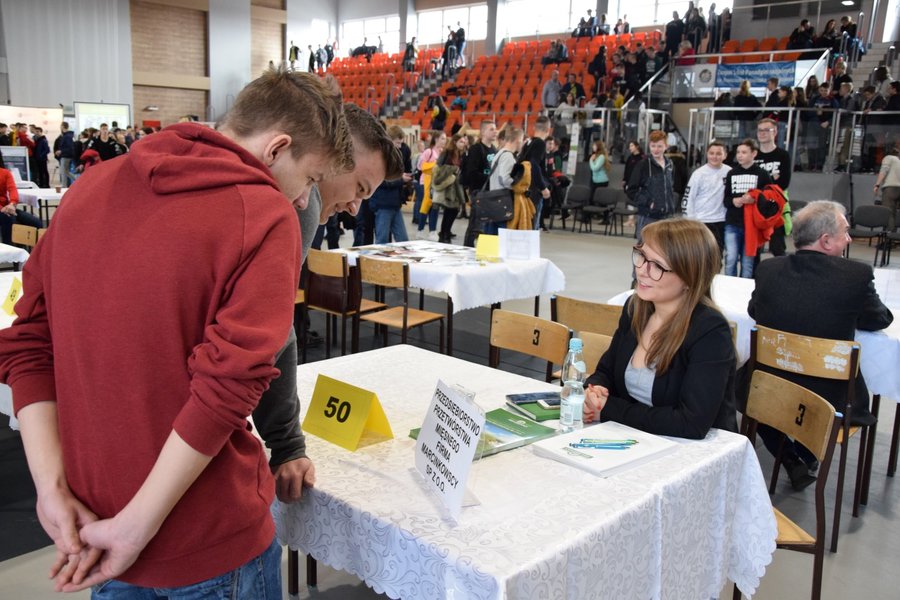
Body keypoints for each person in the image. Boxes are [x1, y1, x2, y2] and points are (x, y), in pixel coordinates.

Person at [0, 67, 354, 596]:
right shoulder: (265, 213)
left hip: (98, 521)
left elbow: (28, 343)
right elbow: (229, 388)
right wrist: (134, 529)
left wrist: (50, 488)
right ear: (277, 148)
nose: (304, 200)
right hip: (204, 536)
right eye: (309, 179)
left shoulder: (89, 186)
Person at [748, 201, 893, 489]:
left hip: (769, 387)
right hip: (830, 396)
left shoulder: (769, 269)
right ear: (826, 241)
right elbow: (879, 319)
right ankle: (804, 454)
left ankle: (791, 458)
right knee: (818, 409)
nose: (849, 239)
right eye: (845, 232)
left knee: (750, 393)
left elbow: (754, 311)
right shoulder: (855, 276)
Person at [582, 219, 738, 439]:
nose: (641, 271)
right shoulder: (636, 308)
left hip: (694, 448)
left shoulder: (710, 331)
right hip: (639, 437)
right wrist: (594, 390)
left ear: (690, 278)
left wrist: (609, 409)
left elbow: (691, 423)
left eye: (657, 266)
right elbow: (606, 372)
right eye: (642, 257)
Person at [723, 138, 775, 278]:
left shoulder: (762, 174)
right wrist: (734, 201)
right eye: (738, 152)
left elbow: (770, 198)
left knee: (748, 261)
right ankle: (729, 285)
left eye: (744, 152)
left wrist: (755, 199)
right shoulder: (732, 173)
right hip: (733, 222)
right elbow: (726, 199)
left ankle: (745, 288)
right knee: (731, 258)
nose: (740, 155)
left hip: (752, 225)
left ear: (754, 153)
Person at [627, 130, 676, 243]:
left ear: (666, 146)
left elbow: (670, 187)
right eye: (653, 146)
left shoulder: (670, 165)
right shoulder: (643, 165)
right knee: (645, 249)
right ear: (649, 146)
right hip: (648, 216)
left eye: (659, 146)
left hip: (667, 216)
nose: (656, 149)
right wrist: (648, 202)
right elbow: (631, 190)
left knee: (664, 250)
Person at [683, 141, 730, 251]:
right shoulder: (698, 174)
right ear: (707, 154)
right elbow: (688, 198)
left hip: (721, 220)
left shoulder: (730, 172)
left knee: (717, 254)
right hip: (701, 220)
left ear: (725, 155)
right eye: (711, 153)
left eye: (719, 153)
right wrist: (690, 221)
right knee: (701, 254)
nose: (715, 156)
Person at [754, 117, 792, 256]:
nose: (762, 133)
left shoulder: (783, 155)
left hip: (776, 206)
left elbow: (784, 183)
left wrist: (762, 182)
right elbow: (750, 182)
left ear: (775, 132)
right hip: (756, 206)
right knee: (755, 247)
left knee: (777, 247)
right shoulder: (753, 155)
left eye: (766, 130)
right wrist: (771, 178)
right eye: (760, 130)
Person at [371, 125, 413, 244]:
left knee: (403, 240)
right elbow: (380, 181)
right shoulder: (380, 158)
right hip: (383, 204)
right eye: (397, 143)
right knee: (382, 240)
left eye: (401, 143)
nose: (399, 146)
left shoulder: (395, 156)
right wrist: (401, 179)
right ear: (390, 140)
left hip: (395, 204)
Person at [462, 121, 498, 246]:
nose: (495, 132)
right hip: (479, 192)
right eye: (491, 129)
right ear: (483, 132)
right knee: (476, 226)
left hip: (490, 192)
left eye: (495, 129)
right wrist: (489, 178)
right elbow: (471, 173)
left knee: (487, 226)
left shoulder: (494, 150)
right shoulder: (476, 149)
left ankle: (483, 250)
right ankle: (468, 249)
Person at [517, 116, 552, 230]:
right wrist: (543, 187)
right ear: (548, 129)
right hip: (534, 190)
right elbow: (534, 165)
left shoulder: (528, 142)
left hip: (525, 187)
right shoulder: (540, 143)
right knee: (532, 224)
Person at [0, 154, 43, 244]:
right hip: (4, 210)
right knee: (9, 220)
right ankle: (9, 249)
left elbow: (13, 189)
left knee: (36, 223)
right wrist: (2, 208)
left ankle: (37, 250)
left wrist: (12, 204)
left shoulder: (5, 173)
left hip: (8, 208)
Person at [432, 133, 467, 242]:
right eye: (461, 142)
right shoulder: (447, 152)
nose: (463, 144)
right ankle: (444, 234)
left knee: (454, 210)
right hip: (448, 185)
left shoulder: (461, 154)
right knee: (450, 210)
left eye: (464, 142)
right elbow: (438, 168)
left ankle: (446, 232)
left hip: (456, 186)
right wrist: (453, 169)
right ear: (455, 142)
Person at [875, 143, 900, 232]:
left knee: (889, 213)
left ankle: (889, 236)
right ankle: (894, 236)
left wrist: (877, 184)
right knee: (895, 214)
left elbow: (883, 171)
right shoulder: (898, 161)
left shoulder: (888, 158)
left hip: (890, 189)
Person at [588, 139, 610, 207]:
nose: (593, 147)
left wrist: (590, 160)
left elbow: (595, 168)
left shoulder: (601, 157)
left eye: (594, 145)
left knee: (601, 200)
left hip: (601, 181)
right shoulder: (595, 156)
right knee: (591, 198)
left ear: (598, 147)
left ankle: (604, 212)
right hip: (595, 181)